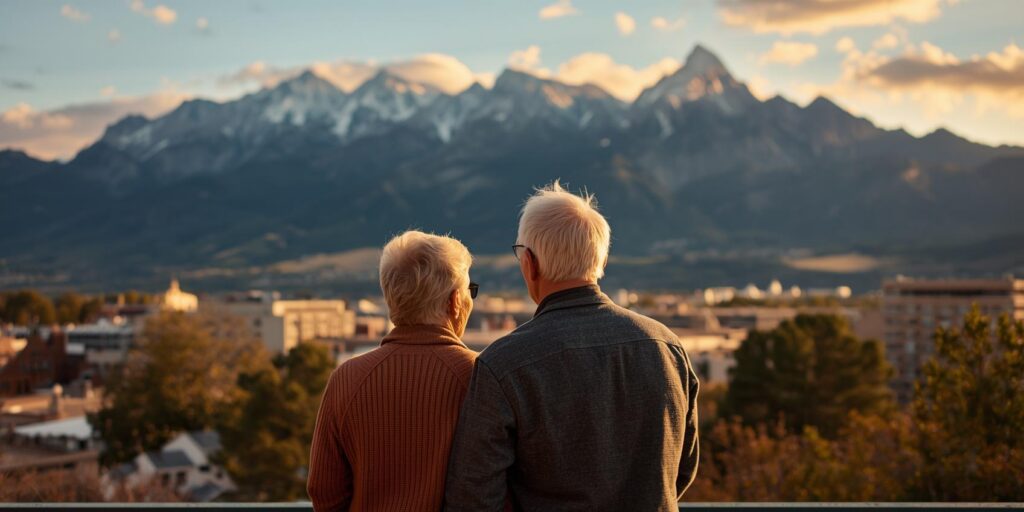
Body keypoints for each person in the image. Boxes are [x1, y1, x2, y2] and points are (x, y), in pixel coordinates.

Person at [444, 182, 700, 511]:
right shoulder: (667, 348)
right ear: (601, 261)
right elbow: (681, 471)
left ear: (529, 264)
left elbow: (473, 498)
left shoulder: (504, 365)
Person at [308, 230, 479, 511]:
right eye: (470, 291)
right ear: (455, 302)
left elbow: (324, 492)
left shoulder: (347, 379)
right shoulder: (479, 376)